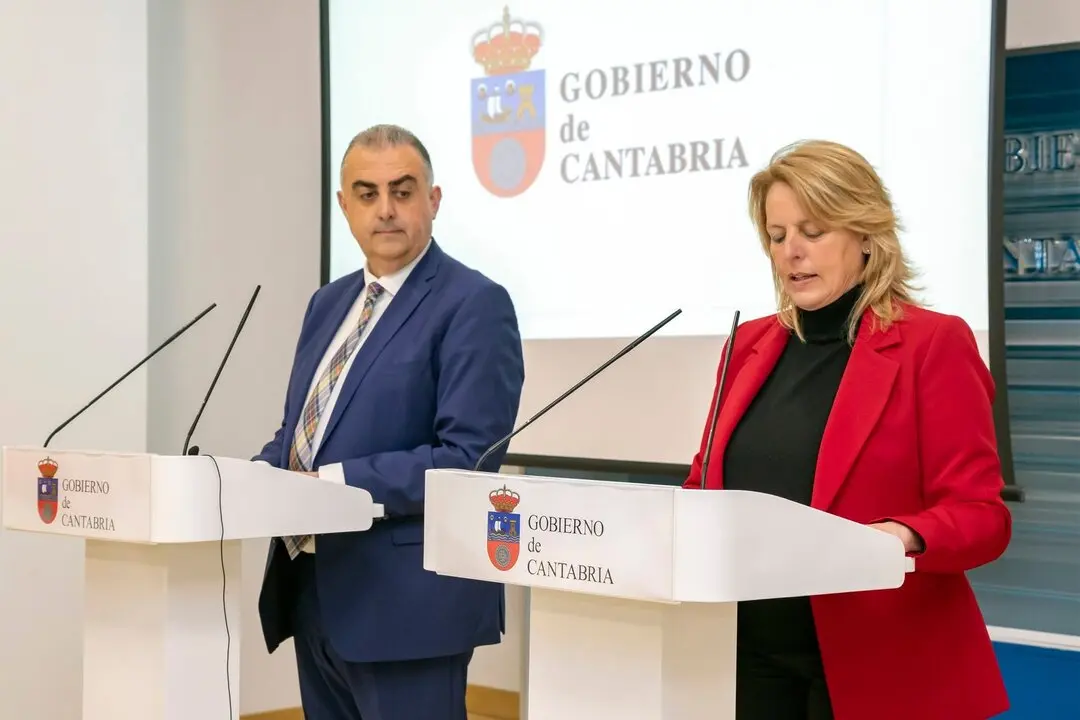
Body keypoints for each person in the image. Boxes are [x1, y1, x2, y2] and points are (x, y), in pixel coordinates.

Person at [683, 139, 1012, 720]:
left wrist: (901, 534)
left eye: (813, 231)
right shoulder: (748, 346)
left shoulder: (932, 344)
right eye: (778, 236)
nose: (792, 253)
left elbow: (982, 516)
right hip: (744, 657)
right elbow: (701, 489)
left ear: (865, 235)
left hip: (878, 666)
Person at [252, 124, 525, 720]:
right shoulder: (329, 303)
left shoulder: (473, 303)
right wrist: (249, 479)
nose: (386, 210)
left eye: (403, 192)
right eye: (367, 193)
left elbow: (468, 457)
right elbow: (303, 435)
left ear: (434, 200)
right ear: (343, 206)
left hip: (410, 608)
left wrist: (335, 483)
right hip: (315, 592)